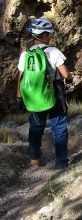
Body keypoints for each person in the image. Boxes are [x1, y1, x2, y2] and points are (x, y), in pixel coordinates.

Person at [16, 18, 71, 168]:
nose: (50, 37)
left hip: (34, 94)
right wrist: (70, 77)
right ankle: (61, 162)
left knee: (36, 126)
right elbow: (65, 75)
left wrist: (19, 97)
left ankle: (34, 159)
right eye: (49, 34)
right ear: (44, 35)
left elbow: (21, 78)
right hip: (54, 92)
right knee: (59, 126)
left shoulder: (25, 54)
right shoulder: (53, 51)